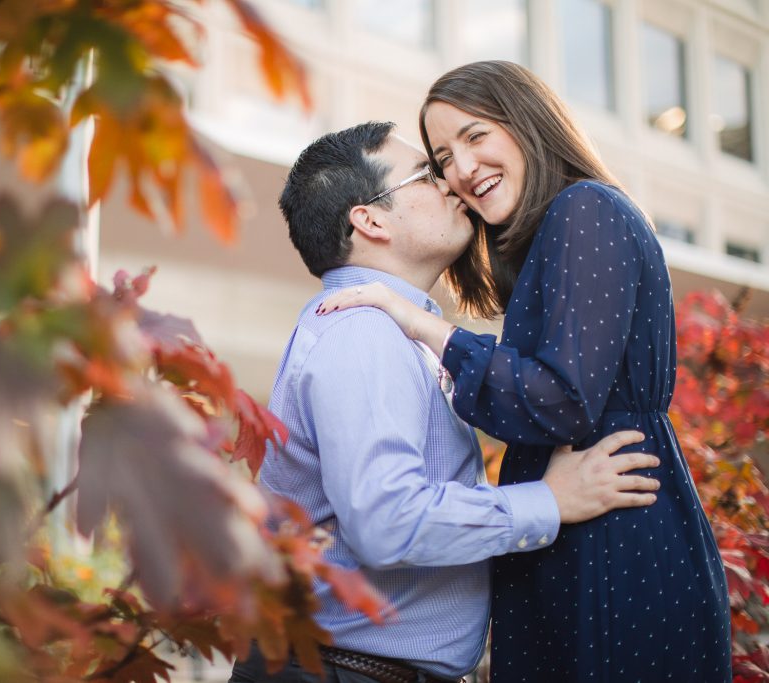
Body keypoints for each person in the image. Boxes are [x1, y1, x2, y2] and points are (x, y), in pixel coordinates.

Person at [319, 62, 731, 682]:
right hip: (573, 524)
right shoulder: (552, 236)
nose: (460, 169)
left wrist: (424, 325)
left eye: (475, 135)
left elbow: (563, 399)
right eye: (441, 157)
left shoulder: (585, 207)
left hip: (614, 529)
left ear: (527, 122)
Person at [230, 121, 661, 683]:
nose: (453, 184)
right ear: (371, 219)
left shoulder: (387, 331)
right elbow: (388, 522)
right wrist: (550, 501)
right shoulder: (362, 333)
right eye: (428, 174)